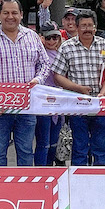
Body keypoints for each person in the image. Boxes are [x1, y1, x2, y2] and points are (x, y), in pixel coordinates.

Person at [0, 0, 50, 166]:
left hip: (27, 107)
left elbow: (45, 63)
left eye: (14, 13)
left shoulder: (32, 36)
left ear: (21, 15)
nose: (10, 16)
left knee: (25, 151)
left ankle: (24, 189)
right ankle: (0, 190)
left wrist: (38, 79)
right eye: (6, 13)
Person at [52, 11, 105, 166]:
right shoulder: (67, 47)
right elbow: (57, 75)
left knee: (100, 147)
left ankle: (101, 179)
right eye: (83, 26)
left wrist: (103, 93)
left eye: (90, 25)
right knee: (80, 147)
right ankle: (79, 181)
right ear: (77, 27)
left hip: (100, 104)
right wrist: (78, 88)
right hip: (77, 104)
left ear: (95, 27)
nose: (87, 29)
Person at [35, 22, 65, 166]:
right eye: (48, 38)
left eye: (55, 38)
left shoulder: (63, 54)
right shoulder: (39, 55)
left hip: (60, 104)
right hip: (42, 103)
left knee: (54, 142)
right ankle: (41, 173)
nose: (52, 41)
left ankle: (52, 171)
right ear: (42, 39)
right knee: (43, 143)